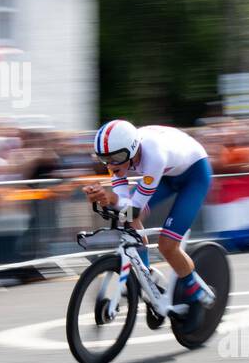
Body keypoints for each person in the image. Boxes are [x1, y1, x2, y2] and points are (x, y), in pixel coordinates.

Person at [82, 119, 216, 323]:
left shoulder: (153, 155)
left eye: (116, 158)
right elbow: (124, 206)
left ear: (132, 149)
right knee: (128, 222)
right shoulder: (118, 155)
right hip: (166, 174)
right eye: (104, 159)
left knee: (167, 246)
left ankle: (196, 290)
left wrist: (110, 198)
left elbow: (132, 208)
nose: (111, 165)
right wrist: (106, 200)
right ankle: (148, 279)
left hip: (194, 175)